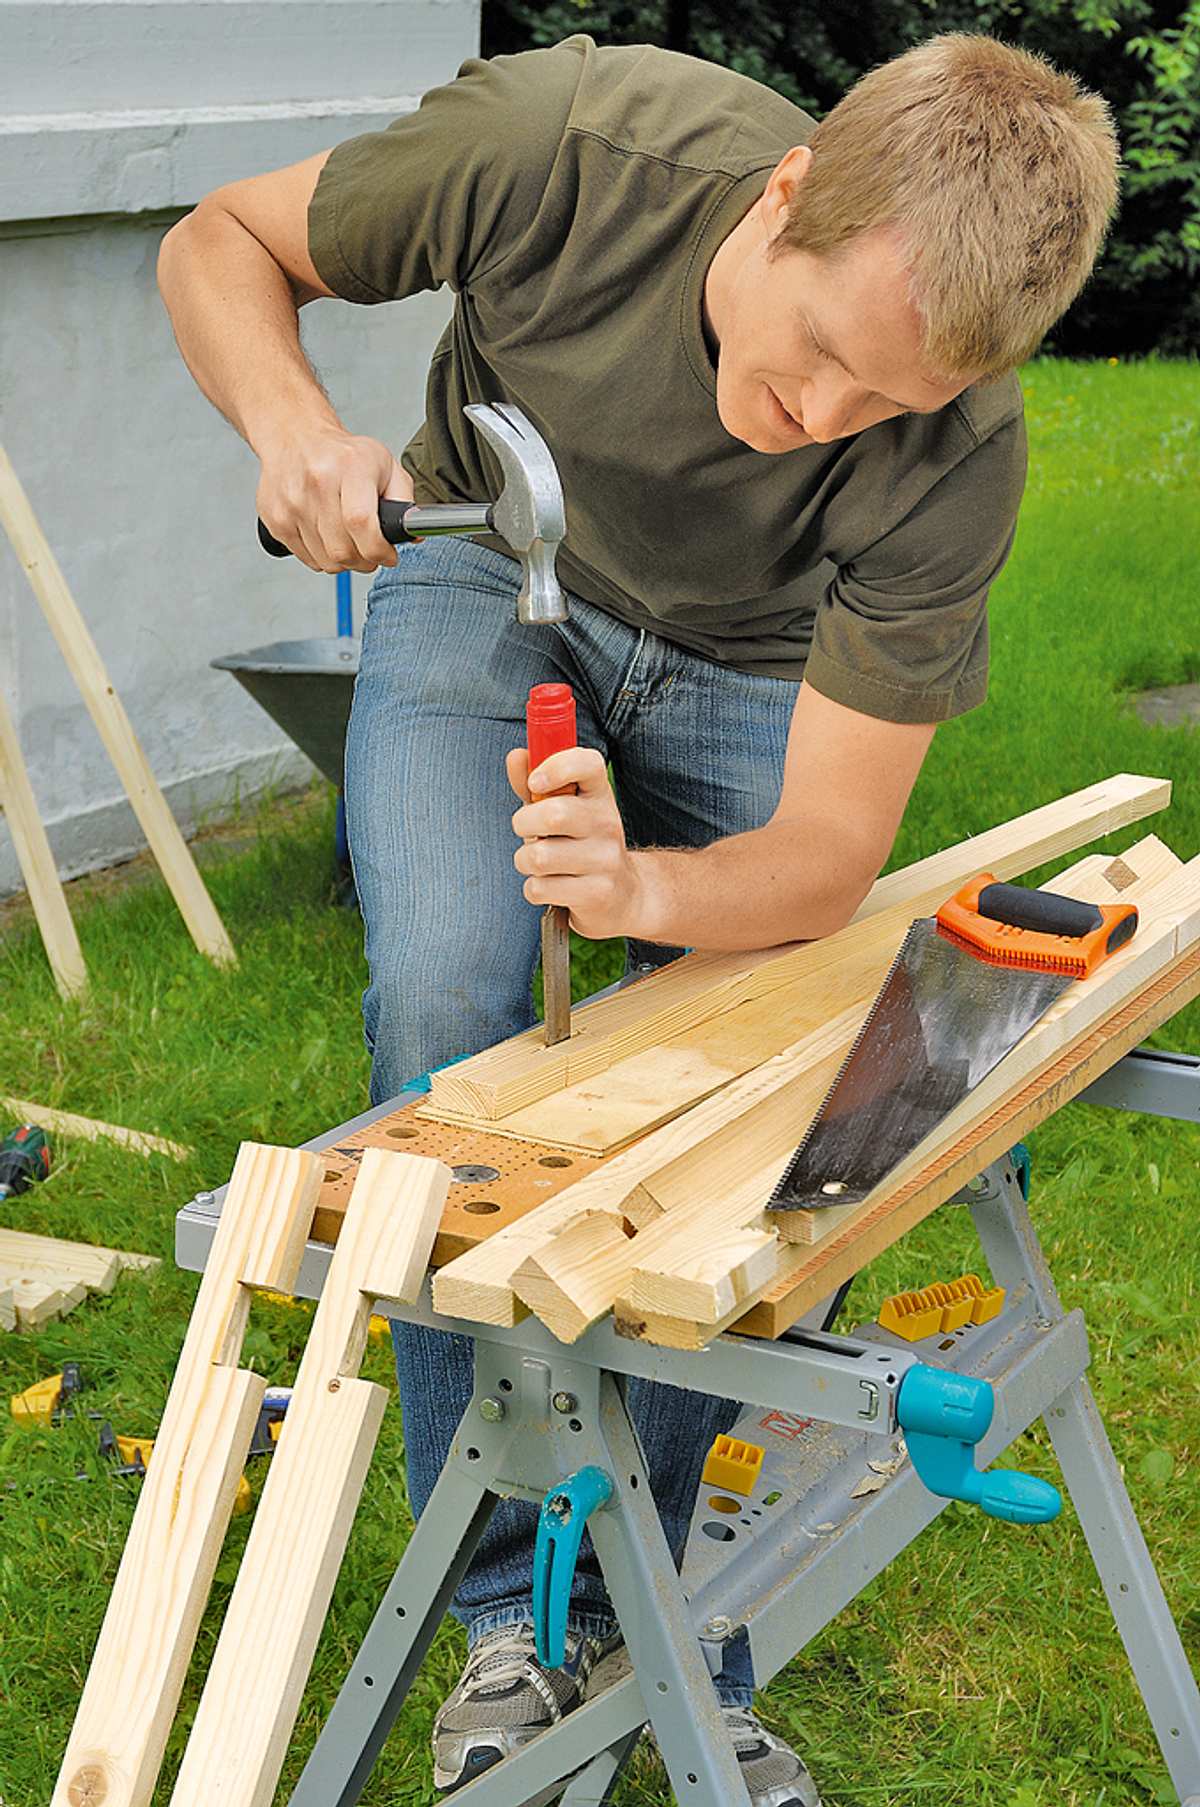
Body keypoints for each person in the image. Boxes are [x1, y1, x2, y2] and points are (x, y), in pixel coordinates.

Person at [158, 31, 1118, 1804]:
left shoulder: (956, 457)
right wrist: (295, 430)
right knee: (450, 1001)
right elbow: (219, 238)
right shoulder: (569, 145)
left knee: (739, 1082)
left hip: (758, 664)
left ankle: (644, 1597)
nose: (823, 420)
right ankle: (503, 1623)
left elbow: (831, 850)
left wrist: (648, 891)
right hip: (478, 568)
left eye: (879, 404)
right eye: (821, 351)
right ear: (777, 203)